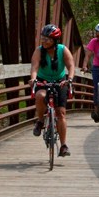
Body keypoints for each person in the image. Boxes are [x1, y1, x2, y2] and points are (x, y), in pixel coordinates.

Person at [29, 24, 75, 157]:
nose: (44, 41)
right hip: (43, 81)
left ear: (55, 40)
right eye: (43, 38)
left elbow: (71, 65)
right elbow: (34, 66)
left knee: (61, 113)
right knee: (39, 95)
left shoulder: (62, 50)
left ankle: (63, 146)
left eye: (47, 39)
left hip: (60, 82)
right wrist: (33, 79)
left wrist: (70, 79)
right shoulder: (39, 50)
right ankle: (40, 121)